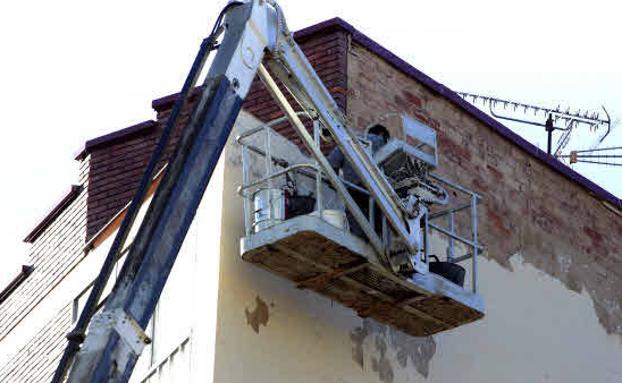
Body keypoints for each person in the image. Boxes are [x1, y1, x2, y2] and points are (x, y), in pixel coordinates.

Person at [327, 124, 390, 238]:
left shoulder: (348, 140)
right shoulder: (382, 141)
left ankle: (361, 238)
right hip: (377, 192)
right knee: (380, 224)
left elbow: (331, 163)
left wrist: (335, 183)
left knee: (357, 220)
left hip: (354, 189)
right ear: (382, 134)